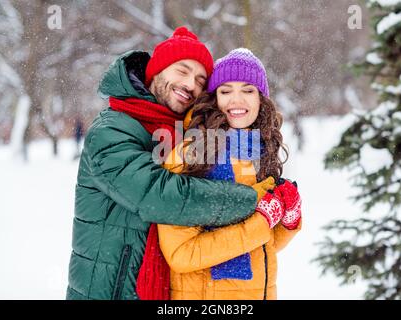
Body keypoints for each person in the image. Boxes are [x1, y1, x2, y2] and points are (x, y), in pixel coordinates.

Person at [66, 28, 276, 300]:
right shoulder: (111, 130)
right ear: (157, 71)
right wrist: (254, 202)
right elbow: (161, 197)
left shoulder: (189, 135)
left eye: (201, 79)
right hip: (111, 290)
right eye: (182, 71)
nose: (191, 84)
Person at [158, 48, 302, 300]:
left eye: (248, 90)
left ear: (261, 99)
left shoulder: (259, 152)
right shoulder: (189, 156)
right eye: (226, 91)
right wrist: (261, 220)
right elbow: (182, 254)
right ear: (213, 99)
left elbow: (259, 247)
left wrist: (287, 222)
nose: (237, 100)